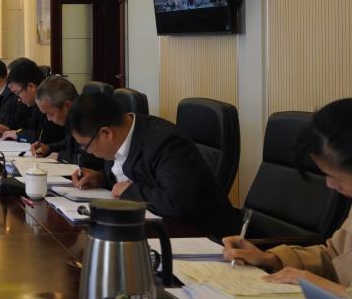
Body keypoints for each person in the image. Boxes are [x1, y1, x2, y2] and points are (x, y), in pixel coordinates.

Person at [223, 99, 352, 299]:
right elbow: (335, 255)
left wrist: (327, 289)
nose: (330, 185)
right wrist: (269, 258)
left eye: (337, 178)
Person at [67, 92, 240, 237]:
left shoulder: (166, 142)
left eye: (86, 146)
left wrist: (129, 191)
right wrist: (102, 179)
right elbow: (128, 177)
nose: (88, 152)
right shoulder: (121, 136)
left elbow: (174, 202)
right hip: (153, 229)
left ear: (106, 133)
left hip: (201, 237)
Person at [29, 75, 104, 169]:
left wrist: (60, 156)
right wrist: (49, 148)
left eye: (50, 114)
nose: (48, 119)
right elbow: (69, 143)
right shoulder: (73, 117)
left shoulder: (88, 120)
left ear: (67, 105)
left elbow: (89, 161)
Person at [0, 60, 63, 145]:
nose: (18, 99)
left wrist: (18, 135)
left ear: (31, 87)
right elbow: (26, 126)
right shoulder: (31, 103)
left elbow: (45, 137)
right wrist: (11, 131)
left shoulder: (50, 100)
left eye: (17, 93)